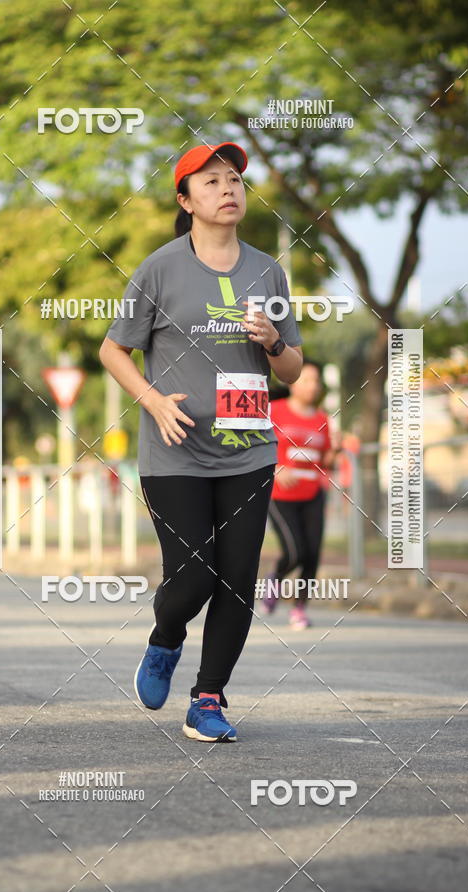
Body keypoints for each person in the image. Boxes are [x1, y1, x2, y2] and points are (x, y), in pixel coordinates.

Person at [100, 142, 303, 742]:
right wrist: (153, 400)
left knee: (237, 577)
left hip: (248, 448)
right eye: (211, 181)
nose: (227, 188)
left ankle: (208, 699)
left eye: (234, 179)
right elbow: (114, 349)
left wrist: (272, 341)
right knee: (193, 577)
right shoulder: (160, 268)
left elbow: (291, 370)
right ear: (186, 200)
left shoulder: (268, 271)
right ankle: (165, 639)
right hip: (175, 450)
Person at [262, 360, 338, 629]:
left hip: (313, 493)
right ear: (291, 382)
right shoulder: (273, 411)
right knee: (295, 551)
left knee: (312, 554)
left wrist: (334, 454)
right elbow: (255, 446)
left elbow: (326, 458)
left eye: (316, 381)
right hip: (280, 495)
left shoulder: (322, 419)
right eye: (306, 380)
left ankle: (299, 609)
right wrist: (277, 469)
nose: (312, 386)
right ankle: (275, 580)